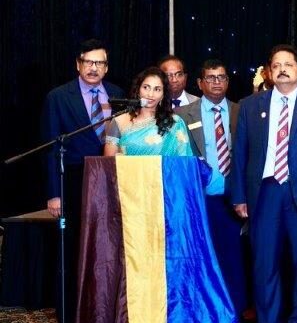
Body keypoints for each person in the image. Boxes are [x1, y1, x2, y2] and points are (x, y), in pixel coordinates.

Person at [230, 44, 297, 323]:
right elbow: (240, 153)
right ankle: (268, 317)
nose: (282, 69)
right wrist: (239, 195)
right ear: (269, 72)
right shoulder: (249, 106)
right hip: (264, 193)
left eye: (288, 65)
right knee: (264, 263)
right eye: (276, 65)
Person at [41, 39, 124, 323]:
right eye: (88, 62)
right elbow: (52, 147)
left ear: (106, 67)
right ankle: (70, 313)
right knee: (74, 249)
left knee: (108, 246)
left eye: (99, 62)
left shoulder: (117, 94)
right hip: (75, 180)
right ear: (78, 64)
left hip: (111, 182)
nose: (93, 67)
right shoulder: (59, 96)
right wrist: (55, 193)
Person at [176, 59, 249, 316]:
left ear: (228, 81)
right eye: (210, 77)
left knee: (233, 257)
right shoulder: (183, 115)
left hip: (235, 196)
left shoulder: (244, 111)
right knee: (201, 256)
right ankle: (202, 310)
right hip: (199, 198)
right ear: (199, 83)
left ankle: (234, 310)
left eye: (221, 77)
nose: (216, 82)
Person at [102, 67, 193, 156]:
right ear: (138, 90)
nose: (150, 94)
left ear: (163, 95)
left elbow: (183, 162)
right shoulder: (119, 121)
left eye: (157, 89)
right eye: (146, 87)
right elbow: (109, 164)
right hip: (127, 171)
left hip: (162, 171)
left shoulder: (173, 123)